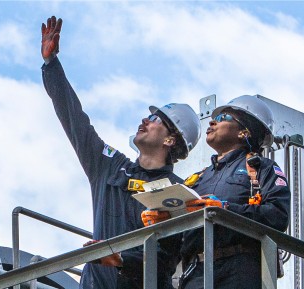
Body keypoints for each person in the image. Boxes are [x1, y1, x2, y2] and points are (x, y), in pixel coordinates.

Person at [40, 16, 201, 289]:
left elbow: (168, 257)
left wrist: (121, 258)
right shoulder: (111, 167)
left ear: (171, 140)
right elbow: (74, 119)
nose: (145, 121)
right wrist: (51, 65)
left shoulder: (176, 192)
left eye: (157, 120)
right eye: (148, 117)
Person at [155, 95, 290, 289]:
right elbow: (177, 240)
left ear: (244, 132)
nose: (212, 121)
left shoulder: (262, 169)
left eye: (222, 118)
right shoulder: (197, 179)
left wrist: (225, 209)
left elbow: (278, 215)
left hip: (239, 273)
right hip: (195, 275)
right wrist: (163, 221)